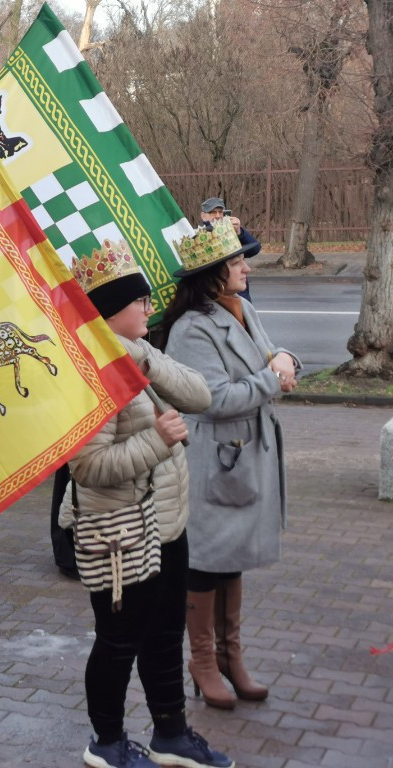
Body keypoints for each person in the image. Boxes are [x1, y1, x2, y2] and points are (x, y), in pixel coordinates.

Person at [68, 241, 232, 768]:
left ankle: (171, 734)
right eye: (137, 301)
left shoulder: (139, 351)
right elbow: (87, 468)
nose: (148, 307)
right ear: (110, 311)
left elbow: (200, 395)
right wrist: (159, 440)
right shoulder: (90, 373)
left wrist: (140, 356)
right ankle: (107, 743)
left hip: (166, 523)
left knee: (165, 634)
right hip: (120, 535)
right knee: (118, 643)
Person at [162, 217, 298, 710]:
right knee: (206, 560)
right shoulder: (191, 328)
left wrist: (283, 359)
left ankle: (230, 656)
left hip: (244, 454)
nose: (244, 268)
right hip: (215, 459)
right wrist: (273, 380)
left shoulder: (240, 307)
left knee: (233, 557)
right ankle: (202, 661)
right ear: (214, 273)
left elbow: (271, 351)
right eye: (236, 262)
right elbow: (213, 398)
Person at [200, 197, 259, 301]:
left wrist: (240, 232)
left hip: (240, 296)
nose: (218, 216)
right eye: (213, 213)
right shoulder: (199, 237)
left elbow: (254, 249)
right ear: (203, 216)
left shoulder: (232, 230)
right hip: (217, 295)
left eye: (220, 212)